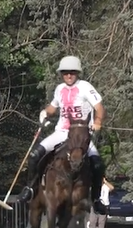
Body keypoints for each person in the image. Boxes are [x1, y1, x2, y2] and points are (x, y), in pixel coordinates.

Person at [15, 56, 106, 212]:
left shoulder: (85, 87)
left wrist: (97, 122)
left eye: (72, 72)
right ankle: (30, 188)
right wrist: (45, 113)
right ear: (61, 74)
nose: (68, 76)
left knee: (97, 164)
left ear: (77, 73)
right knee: (35, 156)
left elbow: (99, 108)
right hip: (62, 132)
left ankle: (97, 199)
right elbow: (53, 107)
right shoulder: (59, 89)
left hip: (80, 134)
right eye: (65, 73)